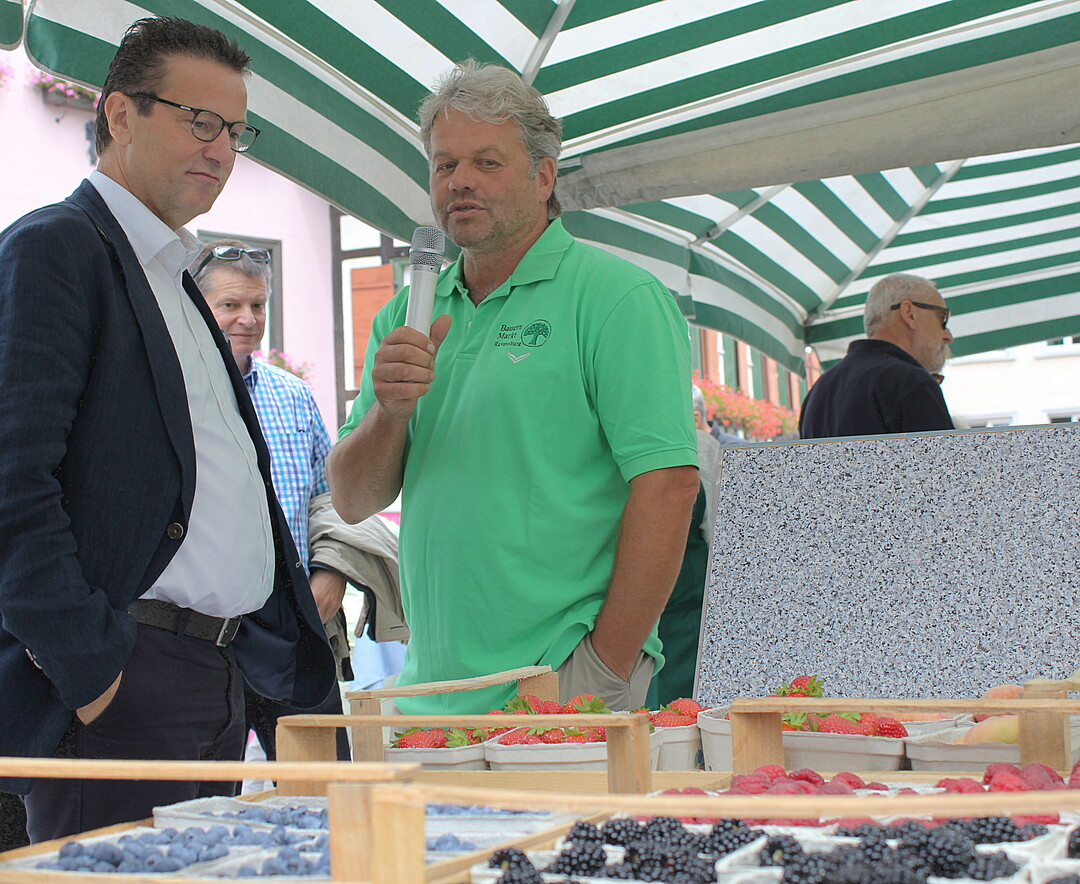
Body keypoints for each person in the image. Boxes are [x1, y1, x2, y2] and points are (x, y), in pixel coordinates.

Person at [0, 17, 334, 842]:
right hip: (123, 685)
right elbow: (10, 483)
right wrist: (91, 670)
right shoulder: (56, 250)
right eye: (197, 120)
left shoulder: (175, 278)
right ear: (118, 114)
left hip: (218, 675)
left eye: (234, 129)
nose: (221, 149)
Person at [327, 60, 700, 715]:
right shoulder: (408, 312)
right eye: (445, 166)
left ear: (544, 176)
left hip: (559, 681)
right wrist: (389, 414)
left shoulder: (617, 298)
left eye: (487, 163)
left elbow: (669, 485)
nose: (461, 182)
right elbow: (354, 499)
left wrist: (604, 666)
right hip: (431, 690)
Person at [194, 239, 354, 762]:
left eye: (257, 305)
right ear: (196, 305)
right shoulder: (173, 395)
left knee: (324, 785)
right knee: (209, 799)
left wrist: (331, 572)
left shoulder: (292, 395)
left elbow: (330, 495)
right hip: (203, 631)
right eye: (230, 305)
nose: (247, 319)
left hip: (292, 621)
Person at [799, 273, 955, 438]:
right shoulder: (910, 381)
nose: (948, 336)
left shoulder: (819, 390)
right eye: (942, 318)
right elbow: (943, 462)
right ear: (909, 313)